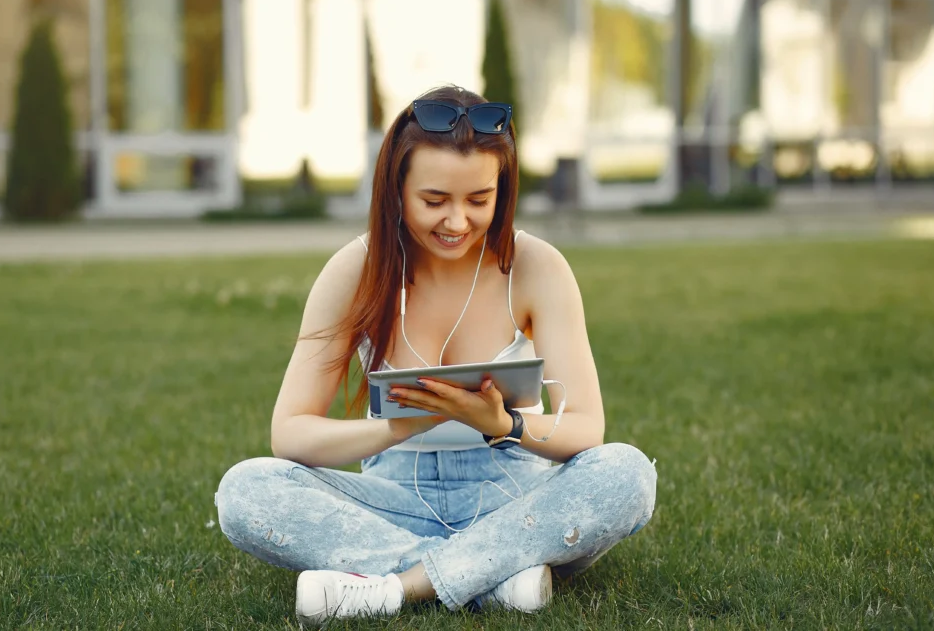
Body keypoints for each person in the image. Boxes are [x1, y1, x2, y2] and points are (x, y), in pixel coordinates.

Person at [214, 85, 657, 627]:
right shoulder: (354, 271)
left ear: (503, 190)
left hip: (511, 494)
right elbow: (290, 434)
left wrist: (505, 423)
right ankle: (495, 578)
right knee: (246, 490)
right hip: (396, 496)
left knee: (626, 472)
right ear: (396, 189)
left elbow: (586, 429)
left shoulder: (537, 266)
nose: (455, 222)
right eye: (434, 200)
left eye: (478, 201)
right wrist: (396, 429)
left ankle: (395, 587)